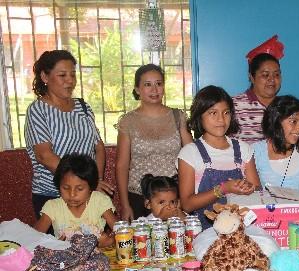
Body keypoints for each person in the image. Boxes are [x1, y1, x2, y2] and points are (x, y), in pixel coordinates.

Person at [25, 50, 113, 219]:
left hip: (87, 194)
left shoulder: (83, 107)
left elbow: (98, 147)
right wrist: (81, 182)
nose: (70, 81)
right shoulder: (37, 110)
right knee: (57, 245)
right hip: (53, 195)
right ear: (45, 77)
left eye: (73, 75)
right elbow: (44, 156)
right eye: (62, 75)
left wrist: (95, 181)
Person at [115, 64, 193, 221]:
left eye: (159, 83)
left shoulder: (178, 117)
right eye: (147, 85)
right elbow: (122, 166)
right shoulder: (128, 121)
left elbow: (192, 155)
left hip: (173, 196)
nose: (154, 89)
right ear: (137, 89)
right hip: (140, 197)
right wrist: (125, 205)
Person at [178, 85, 260, 229]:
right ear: (200, 116)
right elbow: (187, 204)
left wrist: (247, 187)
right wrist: (223, 189)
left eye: (226, 112)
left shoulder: (243, 149)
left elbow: (257, 190)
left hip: (241, 230)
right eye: (213, 113)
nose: (221, 119)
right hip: (204, 231)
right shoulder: (189, 153)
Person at [33, 154, 117, 248]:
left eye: (80, 189)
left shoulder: (99, 201)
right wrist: (54, 245)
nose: (72, 194)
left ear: (91, 187)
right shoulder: (53, 207)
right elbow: (33, 238)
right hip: (65, 260)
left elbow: (121, 231)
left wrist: (109, 241)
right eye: (66, 188)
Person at [232, 53, 282, 144]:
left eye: (277, 75)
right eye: (265, 75)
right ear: (251, 77)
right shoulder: (234, 105)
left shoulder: (286, 106)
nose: (272, 79)